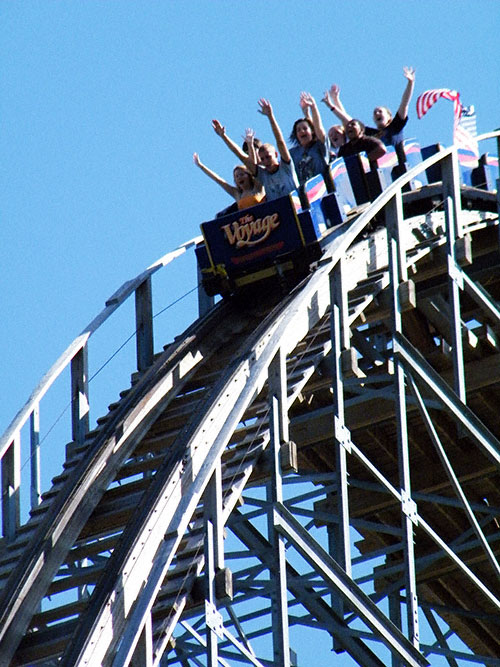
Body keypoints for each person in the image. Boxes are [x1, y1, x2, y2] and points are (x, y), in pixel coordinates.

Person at [323, 67, 416, 147]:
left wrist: (410, 83)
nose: (376, 113)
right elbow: (349, 122)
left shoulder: (395, 127)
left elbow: (404, 104)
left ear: (389, 117)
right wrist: (335, 102)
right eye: (375, 113)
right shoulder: (372, 134)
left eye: (380, 111)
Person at [239, 98, 299, 201]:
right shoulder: (264, 176)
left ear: (276, 154)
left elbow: (280, 142)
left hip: (295, 205)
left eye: (268, 157)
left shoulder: (286, 167)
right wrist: (223, 136)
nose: (266, 161)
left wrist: (271, 117)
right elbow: (243, 158)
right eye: (263, 159)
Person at [192, 153, 265, 210]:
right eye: (236, 176)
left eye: (242, 174)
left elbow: (254, 168)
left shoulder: (257, 188)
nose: (239, 177)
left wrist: (250, 144)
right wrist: (201, 166)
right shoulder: (237, 194)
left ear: (249, 175)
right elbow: (219, 180)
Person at [289, 92, 330, 184]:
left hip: (322, 187)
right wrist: (306, 113)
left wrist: (313, 107)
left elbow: (319, 129)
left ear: (312, 131)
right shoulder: (293, 153)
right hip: (304, 192)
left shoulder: (319, 146)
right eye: (298, 130)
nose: (302, 131)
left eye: (305, 128)